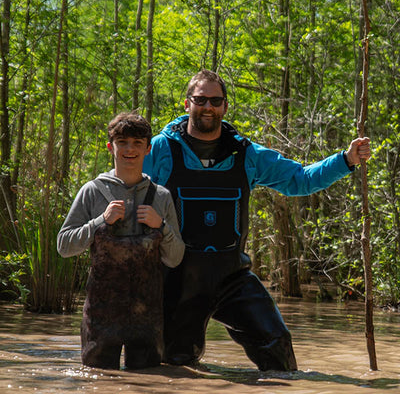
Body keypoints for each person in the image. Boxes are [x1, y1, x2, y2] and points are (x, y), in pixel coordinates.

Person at [143, 69, 371, 372]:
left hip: (232, 279)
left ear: (225, 107)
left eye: (215, 100)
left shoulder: (246, 153)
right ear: (187, 104)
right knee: (176, 369)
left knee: (278, 350)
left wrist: (346, 160)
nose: (208, 107)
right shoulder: (159, 148)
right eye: (200, 100)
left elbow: (298, 180)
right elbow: (131, 189)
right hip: (177, 281)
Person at [57, 112, 185, 370]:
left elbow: (175, 257)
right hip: (101, 316)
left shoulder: (161, 197)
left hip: (147, 317)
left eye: (138, 143)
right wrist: (99, 221)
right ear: (110, 147)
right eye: (122, 142)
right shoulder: (92, 191)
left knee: (147, 381)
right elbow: (64, 246)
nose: (130, 149)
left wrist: (160, 225)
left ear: (148, 149)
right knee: (99, 380)